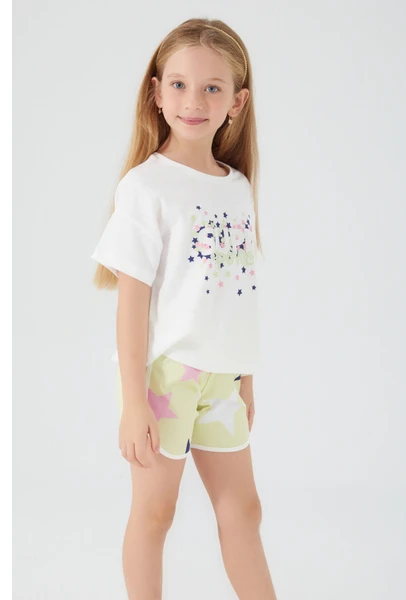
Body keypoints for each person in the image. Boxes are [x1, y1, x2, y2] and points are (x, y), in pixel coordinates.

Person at [91, 17, 277, 600]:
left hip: (223, 379)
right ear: (156, 92)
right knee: (155, 514)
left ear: (237, 102)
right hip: (163, 379)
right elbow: (131, 304)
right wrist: (133, 403)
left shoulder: (237, 187)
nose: (193, 101)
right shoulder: (145, 188)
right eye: (178, 85)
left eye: (212, 88)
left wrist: (245, 376)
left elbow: (236, 295)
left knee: (243, 509)